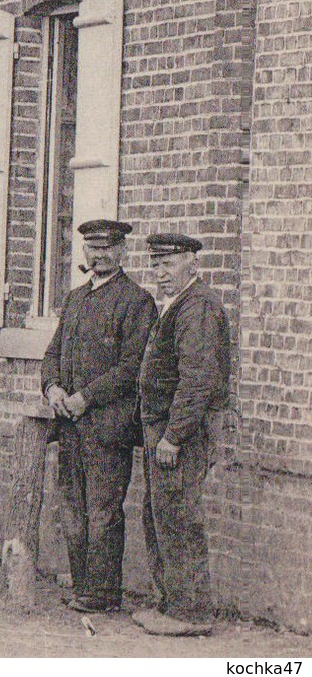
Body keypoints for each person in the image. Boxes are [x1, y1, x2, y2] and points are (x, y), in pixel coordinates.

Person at [40, 219, 157, 614]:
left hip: (108, 428)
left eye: (107, 248)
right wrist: (52, 388)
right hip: (70, 427)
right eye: (92, 248)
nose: (99, 255)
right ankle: (82, 585)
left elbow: (131, 367)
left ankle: (104, 592)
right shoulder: (74, 299)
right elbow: (53, 353)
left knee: (103, 511)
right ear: (84, 253)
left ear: (122, 251)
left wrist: (86, 398)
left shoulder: (137, 301)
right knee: (73, 508)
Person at [132, 232, 232, 637]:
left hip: (181, 436)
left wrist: (173, 436)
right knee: (161, 516)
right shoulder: (181, 304)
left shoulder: (199, 308)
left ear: (193, 265)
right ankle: (172, 603)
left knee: (178, 518)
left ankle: (189, 612)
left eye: (169, 264)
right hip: (164, 431)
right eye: (156, 265)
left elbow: (197, 381)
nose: (161, 274)